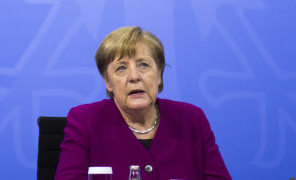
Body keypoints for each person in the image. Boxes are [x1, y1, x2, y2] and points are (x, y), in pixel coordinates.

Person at [55, 26, 231, 180]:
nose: (134, 76)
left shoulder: (192, 119)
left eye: (144, 65)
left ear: (160, 75)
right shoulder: (85, 121)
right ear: (108, 82)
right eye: (121, 68)